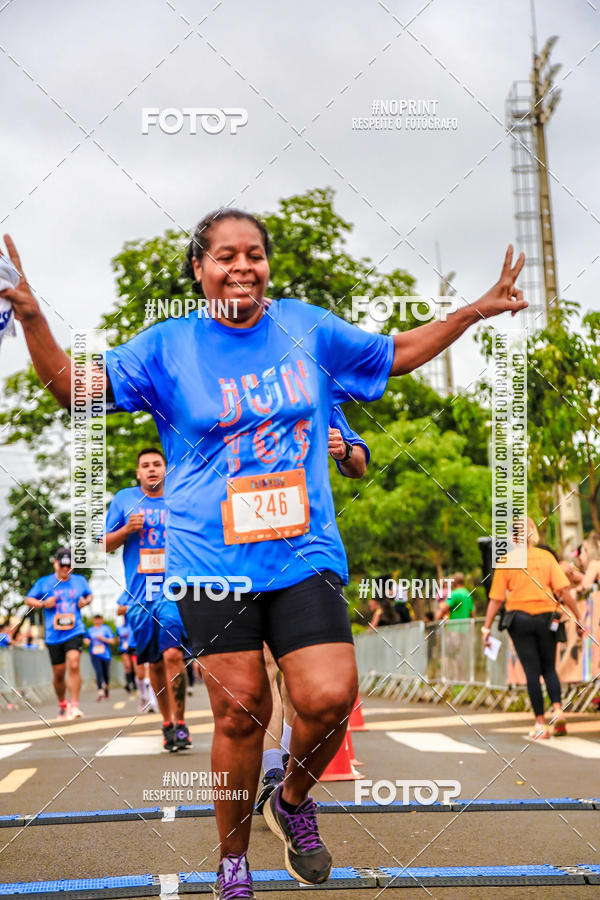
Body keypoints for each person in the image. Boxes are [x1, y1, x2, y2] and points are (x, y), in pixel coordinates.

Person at [2, 214, 526, 899]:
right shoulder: (167, 346)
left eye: (254, 254)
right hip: (209, 561)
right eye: (225, 256)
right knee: (241, 710)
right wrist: (33, 317)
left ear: (268, 265)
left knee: (330, 696)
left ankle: (292, 798)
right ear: (199, 269)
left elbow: (394, 352)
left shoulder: (308, 328)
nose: (241, 267)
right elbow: (77, 389)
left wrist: (474, 311)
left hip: (303, 551)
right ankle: (233, 862)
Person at [256, 406, 369, 814]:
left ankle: (287, 763)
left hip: (307, 552)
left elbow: (358, 465)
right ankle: (273, 771)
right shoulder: (225, 389)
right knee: (265, 667)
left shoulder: (313, 391)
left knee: (300, 678)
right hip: (245, 553)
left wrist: (344, 451)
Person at [103, 449, 191, 751]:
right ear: (138, 472)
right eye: (145, 465)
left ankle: (181, 723)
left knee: (173, 655)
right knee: (154, 662)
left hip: (173, 591)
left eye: (157, 464)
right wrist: (127, 529)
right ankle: (167, 722)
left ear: (166, 469)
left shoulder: (180, 496)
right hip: (140, 596)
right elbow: (101, 544)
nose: (152, 469)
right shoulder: (124, 499)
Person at [483, 518, 584, 740]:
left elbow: (496, 599)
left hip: (519, 620)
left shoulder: (506, 561)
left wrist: (486, 627)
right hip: (547, 617)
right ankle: (558, 711)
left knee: (532, 671)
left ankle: (540, 724)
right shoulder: (546, 557)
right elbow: (564, 591)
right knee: (549, 668)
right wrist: (578, 617)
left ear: (512, 537)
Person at [24, 547, 93, 719]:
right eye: (62, 565)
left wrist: (85, 601)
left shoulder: (80, 581)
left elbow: (90, 595)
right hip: (53, 634)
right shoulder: (44, 582)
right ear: (55, 564)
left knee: (74, 663)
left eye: (69, 566)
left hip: (75, 630)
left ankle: (75, 705)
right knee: (59, 672)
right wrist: (42, 604)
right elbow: (28, 599)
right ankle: (63, 704)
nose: (65, 569)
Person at [84, 613, 115, 701]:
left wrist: (103, 638)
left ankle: (106, 688)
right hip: (95, 654)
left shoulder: (106, 628)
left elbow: (112, 641)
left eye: (99, 619)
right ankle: (100, 690)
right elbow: (86, 639)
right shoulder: (90, 630)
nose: (97, 621)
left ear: (102, 620)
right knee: (98, 671)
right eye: (95, 619)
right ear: (93, 620)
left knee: (106, 674)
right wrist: (87, 641)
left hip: (105, 655)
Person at [116, 615, 136, 692]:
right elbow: (117, 638)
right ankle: (128, 683)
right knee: (127, 666)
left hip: (133, 648)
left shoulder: (133, 626)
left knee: (134, 666)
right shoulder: (119, 628)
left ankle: (134, 682)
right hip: (123, 649)